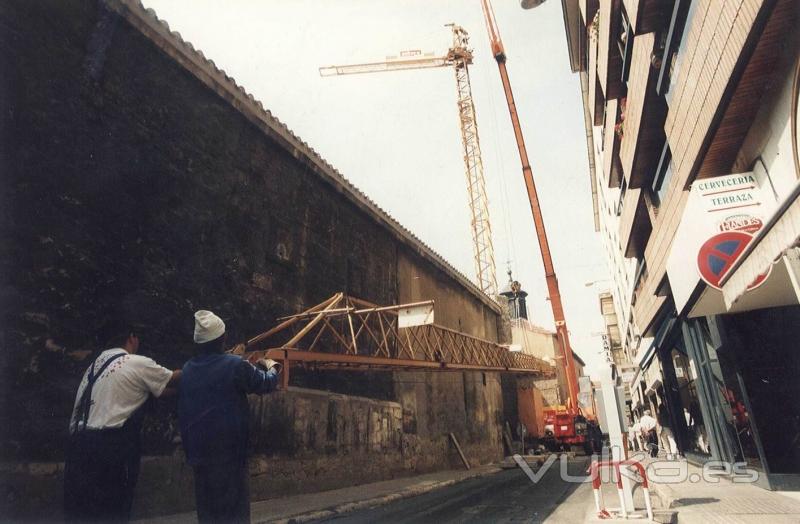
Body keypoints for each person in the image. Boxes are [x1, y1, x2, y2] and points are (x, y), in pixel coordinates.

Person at [64, 323, 181, 522]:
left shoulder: (94, 366)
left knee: (82, 514)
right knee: (114, 511)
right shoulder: (133, 362)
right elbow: (173, 378)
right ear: (132, 338)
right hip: (110, 448)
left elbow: (158, 389)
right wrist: (206, 364)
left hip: (77, 448)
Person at [178, 310, 282, 523]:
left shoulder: (188, 369)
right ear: (221, 339)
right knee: (234, 514)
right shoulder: (235, 365)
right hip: (229, 455)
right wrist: (272, 367)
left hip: (199, 455)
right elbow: (265, 383)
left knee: (208, 514)